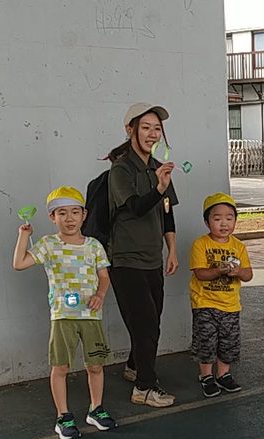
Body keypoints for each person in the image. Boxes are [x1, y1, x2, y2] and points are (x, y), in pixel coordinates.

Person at [12, 186, 117, 439]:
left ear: (84, 215)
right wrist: (23, 236)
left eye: (74, 212)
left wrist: (100, 295)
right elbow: (19, 263)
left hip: (91, 316)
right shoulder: (48, 244)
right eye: (62, 213)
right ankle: (63, 416)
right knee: (60, 367)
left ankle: (96, 409)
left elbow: (104, 276)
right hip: (62, 316)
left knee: (95, 365)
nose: (69, 218)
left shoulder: (94, 245)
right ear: (52, 217)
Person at [107, 103, 179, 408]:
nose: (152, 133)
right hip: (125, 260)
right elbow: (135, 207)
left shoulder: (158, 168)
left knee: (151, 320)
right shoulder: (121, 169)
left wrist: (171, 249)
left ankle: (135, 366)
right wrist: (159, 187)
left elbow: (167, 216)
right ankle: (144, 388)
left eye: (156, 128)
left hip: (152, 259)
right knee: (145, 324)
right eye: (146, 127)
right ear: (130, 130)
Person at [188, 193, 253, 397]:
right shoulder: (200, 244)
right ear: (207, 222)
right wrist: (219, 270)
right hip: (205, 303)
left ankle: (223, 374)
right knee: (206, 341)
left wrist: (238, 272)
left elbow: (248, 274)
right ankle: (206, 376)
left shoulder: (238, 246)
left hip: (231, 306)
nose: (224, 223)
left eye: (229, 218)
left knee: (228, 342)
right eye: (217, 219)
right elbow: (200, 273)